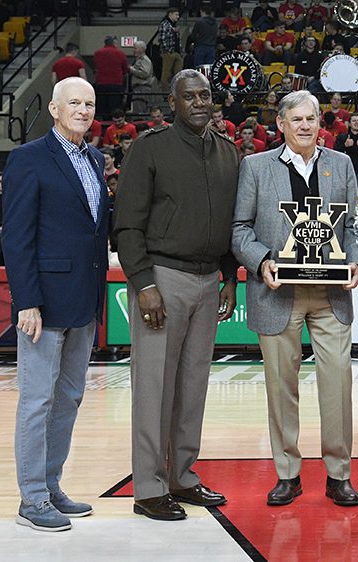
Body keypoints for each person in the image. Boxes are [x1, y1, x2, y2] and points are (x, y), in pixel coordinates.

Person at [113, 69, 240, 521]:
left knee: (192, 387)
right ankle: (149, 488)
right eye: (190, 96)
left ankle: (183, 477)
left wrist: (229, 275)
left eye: (206, 95)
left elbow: (230, 225)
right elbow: (126, 223)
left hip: (209, 282)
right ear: (173, 103)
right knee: (154, 388)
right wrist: (143, 283)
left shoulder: (228, 153)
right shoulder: (150, 148)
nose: (200, 102)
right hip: (162, 279)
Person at [231, 90, 358, 508]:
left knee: (337, 384)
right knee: (281, 387)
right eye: (297, 120)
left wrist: (356, 262)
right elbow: (239, 230)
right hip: (277, 293)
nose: (306, 126)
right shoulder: (255, 167)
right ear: (282, 126)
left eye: (312, 119)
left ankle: (338, 474)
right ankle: (287, 473)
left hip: (330, 294)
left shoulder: (341, 165)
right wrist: (262, 261)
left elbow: (356, 228)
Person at [2, 77, 109, 532]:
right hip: (42, 304)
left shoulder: (97, 159)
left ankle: (51, 484)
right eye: (74, 104)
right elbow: (18, 236)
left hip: (83, 300)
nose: (83, 110)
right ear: (53, 108)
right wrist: (27, 300)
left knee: (68, 397)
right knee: (37, 400)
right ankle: (32, 498)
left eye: (89, 103)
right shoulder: (27, 159)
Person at [92, 36, 129, 119]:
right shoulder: (121, 53)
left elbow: (96, 67)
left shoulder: (97, 53)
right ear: (114, 43)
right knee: (115, 109)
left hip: (101, 85)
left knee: (102, 109)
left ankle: (104, 126)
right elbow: (125, 70)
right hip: (116, 85)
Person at [129, 41, 157, 115]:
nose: (133, 50)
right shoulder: (139, 60)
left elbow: (145, 73)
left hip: (142, 88)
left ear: (141, 49)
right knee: (137, 108)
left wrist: (132, 69)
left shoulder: (144, 60)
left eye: (135, 48)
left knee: (139, 110)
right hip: (138, 88)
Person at [158, 8, 183, 89]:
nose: (178, 17)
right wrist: (167, 51)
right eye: (176, 14)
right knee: (166, 74)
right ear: (170, 14)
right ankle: (165, 93)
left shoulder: (174, 25)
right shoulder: (164, 24)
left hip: (176, 52)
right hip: (169, 53)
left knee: (178, 74)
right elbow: (162, 39)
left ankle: (176, 91)